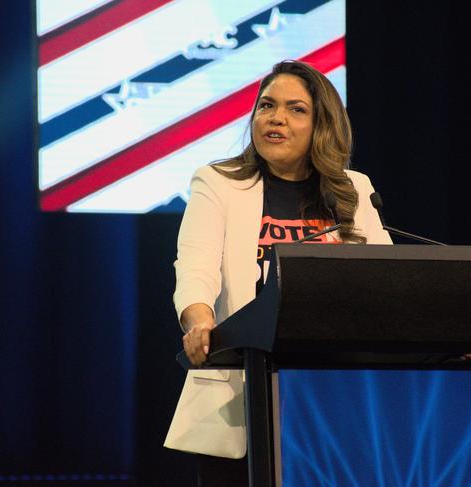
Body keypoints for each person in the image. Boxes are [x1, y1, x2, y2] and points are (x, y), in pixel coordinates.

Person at [164, 60, 392, 486]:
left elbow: (386, 281)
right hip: (241, 401)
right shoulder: (218, 183)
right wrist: (199, 321)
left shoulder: (354, 189)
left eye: (296, 109)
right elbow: (196, 265)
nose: (276, 118)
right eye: (267, 105)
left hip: (337, 400)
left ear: (321, 124)